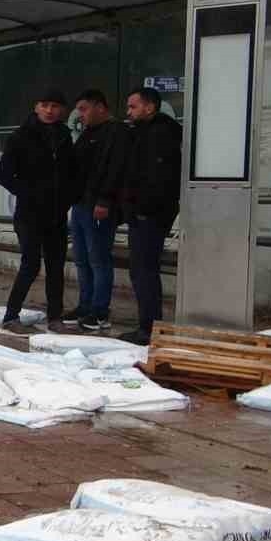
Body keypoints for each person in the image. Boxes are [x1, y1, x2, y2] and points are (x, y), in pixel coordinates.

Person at [0, 89, 78, 337]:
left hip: (57, 212)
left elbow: (71, 172)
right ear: (36, 107)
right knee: (30, 264)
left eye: (55, 106)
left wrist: (67, 197)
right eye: (45, 105)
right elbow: (3, 174)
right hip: (29, 213)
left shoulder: (65, 136)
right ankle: (11, 316)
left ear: (62, 109)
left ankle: (55, 317)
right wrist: (28, 192)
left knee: (56, 265)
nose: (50, 111)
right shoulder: (20, 136)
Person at [115, 86, 182, 346]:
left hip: (150, 213)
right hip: (144, 212)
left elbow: (156, 179)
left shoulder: (159, 135)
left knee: (144, 270)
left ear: (149, 107)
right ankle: (147, 324)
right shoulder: (143, 133)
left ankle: (149, 327)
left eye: (133, 107)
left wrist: (141, 209)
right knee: (141, 270)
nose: (128, 112)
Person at [65, 90, 128, 332]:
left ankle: (100, 310)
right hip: (80, 205)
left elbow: (114, 169)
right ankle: (85, 305)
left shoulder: (116, 132)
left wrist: (105, 200)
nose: (80, 115)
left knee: (98, 259)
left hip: (99, 206)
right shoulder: (86, 134)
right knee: (81, 258)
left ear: (100, 107)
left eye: (83, 109)